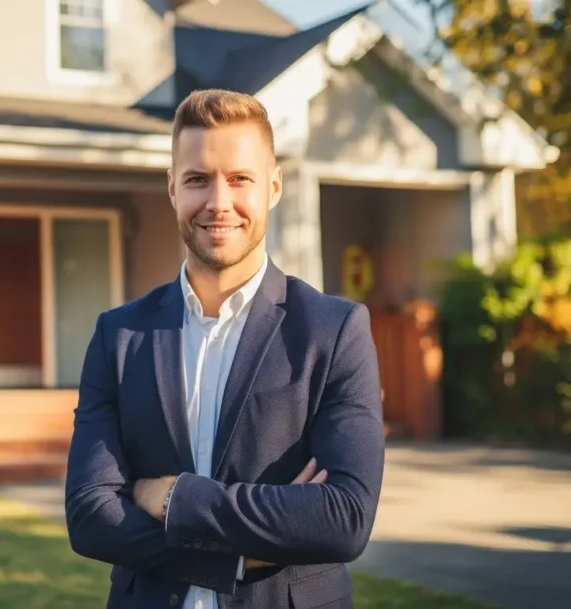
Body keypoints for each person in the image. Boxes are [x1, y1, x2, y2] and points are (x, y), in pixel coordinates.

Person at [64, 88, 385, 609]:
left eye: (240, 179)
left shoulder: (334, 330)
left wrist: (172, 498)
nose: (218, 202)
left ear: (273, 186)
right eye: (197, 179)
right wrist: (232, 557)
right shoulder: (119, 337)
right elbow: (89, 516)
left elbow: (343, 519)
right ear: (172, 189)